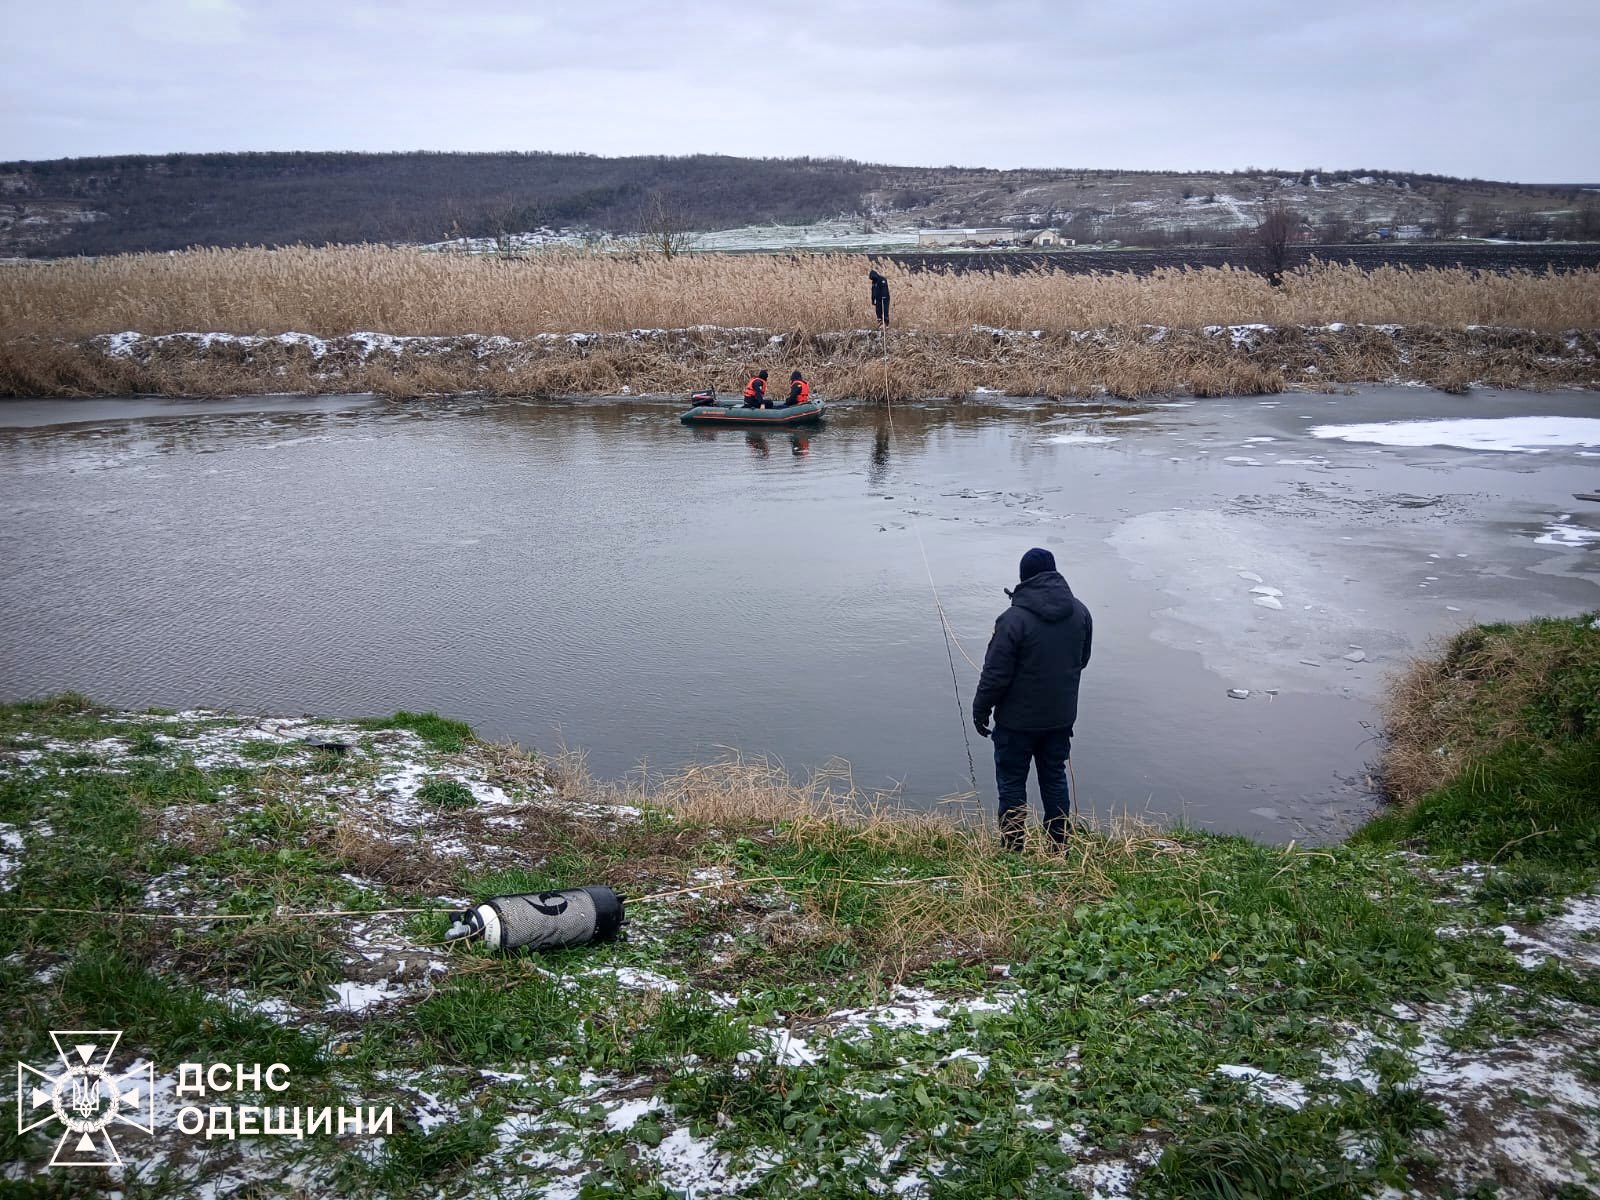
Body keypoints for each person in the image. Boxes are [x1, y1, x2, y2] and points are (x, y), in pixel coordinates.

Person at [972, 548, 1093, 852]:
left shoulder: (1013, 619)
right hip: (1060, 719)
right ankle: (1059, 847)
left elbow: (995, 675)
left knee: (1012, 783)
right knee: (1054, 778)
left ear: (1024, 578)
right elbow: (1082, 660)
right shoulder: (1081, 613)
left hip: (1016, 724)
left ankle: (1013, 851)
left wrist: (981, 709)